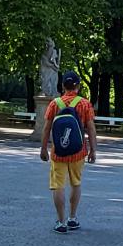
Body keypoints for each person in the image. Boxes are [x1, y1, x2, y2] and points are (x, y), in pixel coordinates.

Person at [40, 71, 97, 234]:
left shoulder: (54, 104)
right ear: (78, 86)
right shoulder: (85, 104)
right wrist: (93, 150)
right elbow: (91, 129)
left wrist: (43, 148)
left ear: (63, 86)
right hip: (78, 151)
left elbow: (46, 128)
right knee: (75, 184)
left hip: (58, 152)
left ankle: (61, 222)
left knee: (58, 186)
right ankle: (72, 218)